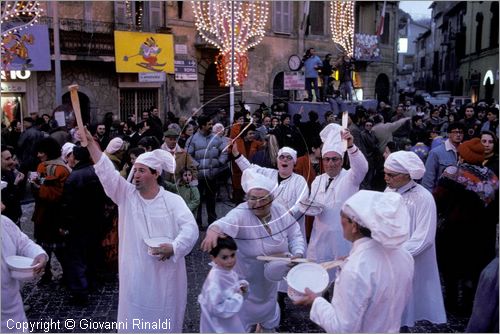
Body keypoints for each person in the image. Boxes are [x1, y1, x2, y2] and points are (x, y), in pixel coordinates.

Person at [84, 129, 199, 333]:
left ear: (155, 174)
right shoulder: (126, 196)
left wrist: (174, 247)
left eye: (142, 171)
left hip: (166, 277)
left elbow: (190, 229)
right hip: (135, 276)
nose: (135, 175)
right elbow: (106, 171)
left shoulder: (173, 201)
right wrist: (91, 144)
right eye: (135, 170)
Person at [201, 168, 305, 332]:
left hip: (269, 286)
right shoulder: (241, 213)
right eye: (252, 198)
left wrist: (298, 253)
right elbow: (225, 222)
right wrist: (214, 229)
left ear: (271, 199)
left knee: (268, 319)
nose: (256, 203)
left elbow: (295, 234)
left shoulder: (279, 210)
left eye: (261, 199)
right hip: (245, 286)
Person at [295, 190, 414, 333]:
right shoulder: (404, 255)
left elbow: (342, 328)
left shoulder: (356, 268)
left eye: (342, 216)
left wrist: (315, 302)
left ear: (355, 226)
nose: (340, 221)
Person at [433, 138, 499, 316]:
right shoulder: (492, 177)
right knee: (474, 272)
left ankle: (452, 306)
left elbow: (438, 199)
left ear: (463, 155)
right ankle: (471, 306)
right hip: (483, 235)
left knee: (451, 272)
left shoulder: (453, 173)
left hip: (454, 233)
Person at [384, 151, 447, 327]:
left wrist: (395, 254)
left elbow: (424, 238)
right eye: (385, 173)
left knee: (406, 305)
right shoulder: (389, 191)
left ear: (406, 175)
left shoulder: (424, 198)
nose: (386, 178)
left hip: (410, 260)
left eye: (391, 175)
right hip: (387, 258)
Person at [299, 124, 368, 282]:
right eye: (327, 159)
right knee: (317, 280)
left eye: (335, 159)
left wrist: (350, 146)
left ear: (342, 160)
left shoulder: (350, 178)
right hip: (319, 239)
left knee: (341, 281)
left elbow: (362, 168)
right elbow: (314, 206)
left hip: (342, 241)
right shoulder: (317, 180)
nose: (331, 163)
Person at [61, 146, 108, 305]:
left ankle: (80, 292)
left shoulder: (73, 177)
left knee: (77, 257)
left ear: (75, 157)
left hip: (79, 224)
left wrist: (65, 224)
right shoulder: (96, 172)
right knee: (92, 252)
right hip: (96, 220)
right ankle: (92, 282)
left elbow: (68, 205)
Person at [31, 137, 71, 283]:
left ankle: (49, 274)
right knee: (58, 250)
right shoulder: (62, 167)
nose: (38, 155)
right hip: (53, 215)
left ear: (47, 152)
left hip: (49, 216)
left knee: (49, 248)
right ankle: (61, 275)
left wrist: (35, 187)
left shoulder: (52, 168)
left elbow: (51, 194)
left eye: (40, 152)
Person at [1, 214, 48, 333]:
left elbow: (23, 242)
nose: (3, 206)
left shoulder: (4, 222)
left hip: (14, 312)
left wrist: (38, 254)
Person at [198, 236, 249, 333]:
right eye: (225, 257)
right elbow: (217, 308)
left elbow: (230, 287)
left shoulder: (225, 271)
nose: (230, 261)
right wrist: (237, 297)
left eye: (233, 255)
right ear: (213, 258)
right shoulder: (214, 282)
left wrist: (240, 286)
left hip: (228, 320)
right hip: (218, 325)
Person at [186, 115, 228, 229]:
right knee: (197, 200)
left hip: (212, 175)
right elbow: (187, 155)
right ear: (202, 125)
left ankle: (212, 222)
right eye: (209, 124)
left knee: (211, 200)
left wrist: (220, 162)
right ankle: (197, 223)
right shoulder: (192, 139)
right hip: (197, 176)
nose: (211, 126)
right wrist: (197, 165)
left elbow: (225, 151)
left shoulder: (216, 138)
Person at [422, 122, 465, 192]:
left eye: (461, 132)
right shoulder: (436, 152)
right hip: (441, 196)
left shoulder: (466, 151)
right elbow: (428, 179)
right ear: (448, 134)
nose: (458, 135)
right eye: (455, 132)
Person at [1, 145, 24, 225]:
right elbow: (6, 203)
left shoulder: (9, 171)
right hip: (7, 222)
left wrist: (19, 182)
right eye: (7, 159)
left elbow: (19, 196)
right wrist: (15, 184)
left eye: (11, 158)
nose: (12, 162)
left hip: (15, 218)